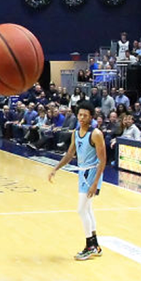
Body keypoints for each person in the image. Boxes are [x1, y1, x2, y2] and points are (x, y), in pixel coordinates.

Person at [49, 102, 105, 260]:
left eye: (85, 115)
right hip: (83, 174)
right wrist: (56, 168)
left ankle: (89, 246)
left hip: (92, 174)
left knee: (81, 210)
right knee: (87, 210)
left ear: (91, 117)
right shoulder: (76, 132)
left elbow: (103, 160)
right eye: (80, 115)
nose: (81, 118)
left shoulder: (96, 134)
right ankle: (96, 245)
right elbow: (69, 154)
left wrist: (95, 183)